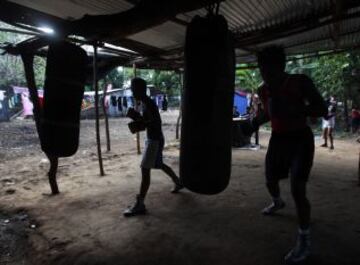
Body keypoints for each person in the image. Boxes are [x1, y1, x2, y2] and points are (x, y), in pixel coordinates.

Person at [248, 46, 327, 264]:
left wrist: (294, 109)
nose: (266, 75)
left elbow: (322, 108)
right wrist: (252, 123)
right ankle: (277, 202)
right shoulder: (263, 89)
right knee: (270, 179)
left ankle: (304, 240)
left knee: (297, 188)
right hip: (278, 139)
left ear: (281, 66)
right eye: (263, 70)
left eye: (270, 70)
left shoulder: (299, 82)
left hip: (300, 138)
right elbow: (268, 112)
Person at [123, 78, 183, 217]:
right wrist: (138, 119)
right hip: (153, 139)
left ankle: (140, 204)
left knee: (145, 169)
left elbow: (156, 123)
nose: (132, 92)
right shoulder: (145, 103)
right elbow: (147, 123)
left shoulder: (148, 103)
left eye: (133, 89)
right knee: (159, 164)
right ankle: (178, 182)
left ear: (139, 90)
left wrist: (137, 117)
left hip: (154, 140)